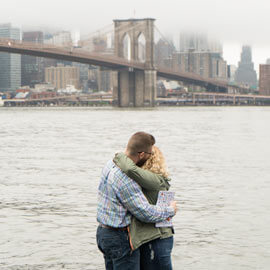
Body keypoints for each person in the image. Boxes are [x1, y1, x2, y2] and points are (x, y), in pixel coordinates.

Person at [96, 132, 177, 270]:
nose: (151, 156)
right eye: (150, 153)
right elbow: (145, 212)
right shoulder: (125, 179)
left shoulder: (110, 164)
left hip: (103, 233)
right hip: (120, 237)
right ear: (141, 154)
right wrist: (170, 210)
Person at [113, 145, 174, 270]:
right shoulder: (155, 179)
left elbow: (129, 169)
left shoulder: (152, 180)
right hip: (158, 235)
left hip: (158, 238)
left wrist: (119, 155)